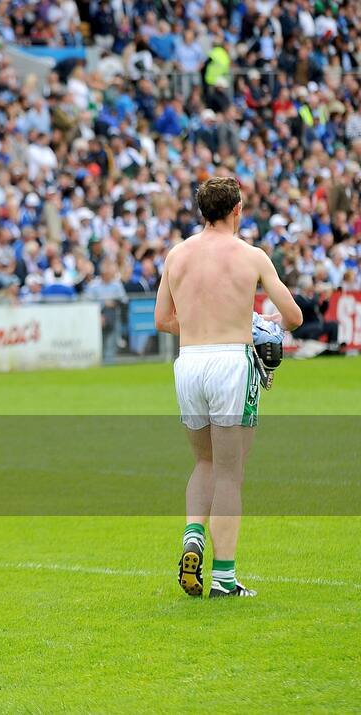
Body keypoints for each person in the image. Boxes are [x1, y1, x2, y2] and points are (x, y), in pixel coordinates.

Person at [154, 177, 301, 599]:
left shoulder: (176, 255)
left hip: (189, 364)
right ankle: (223, 577)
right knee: (230, 473)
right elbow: (292, 315)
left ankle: (193, 536)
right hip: (231, 364)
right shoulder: (249, 255)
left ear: (202, 211)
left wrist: (202, 324)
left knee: (203, 462)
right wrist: (257, 325)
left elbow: (163, 320)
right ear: (237, 210)